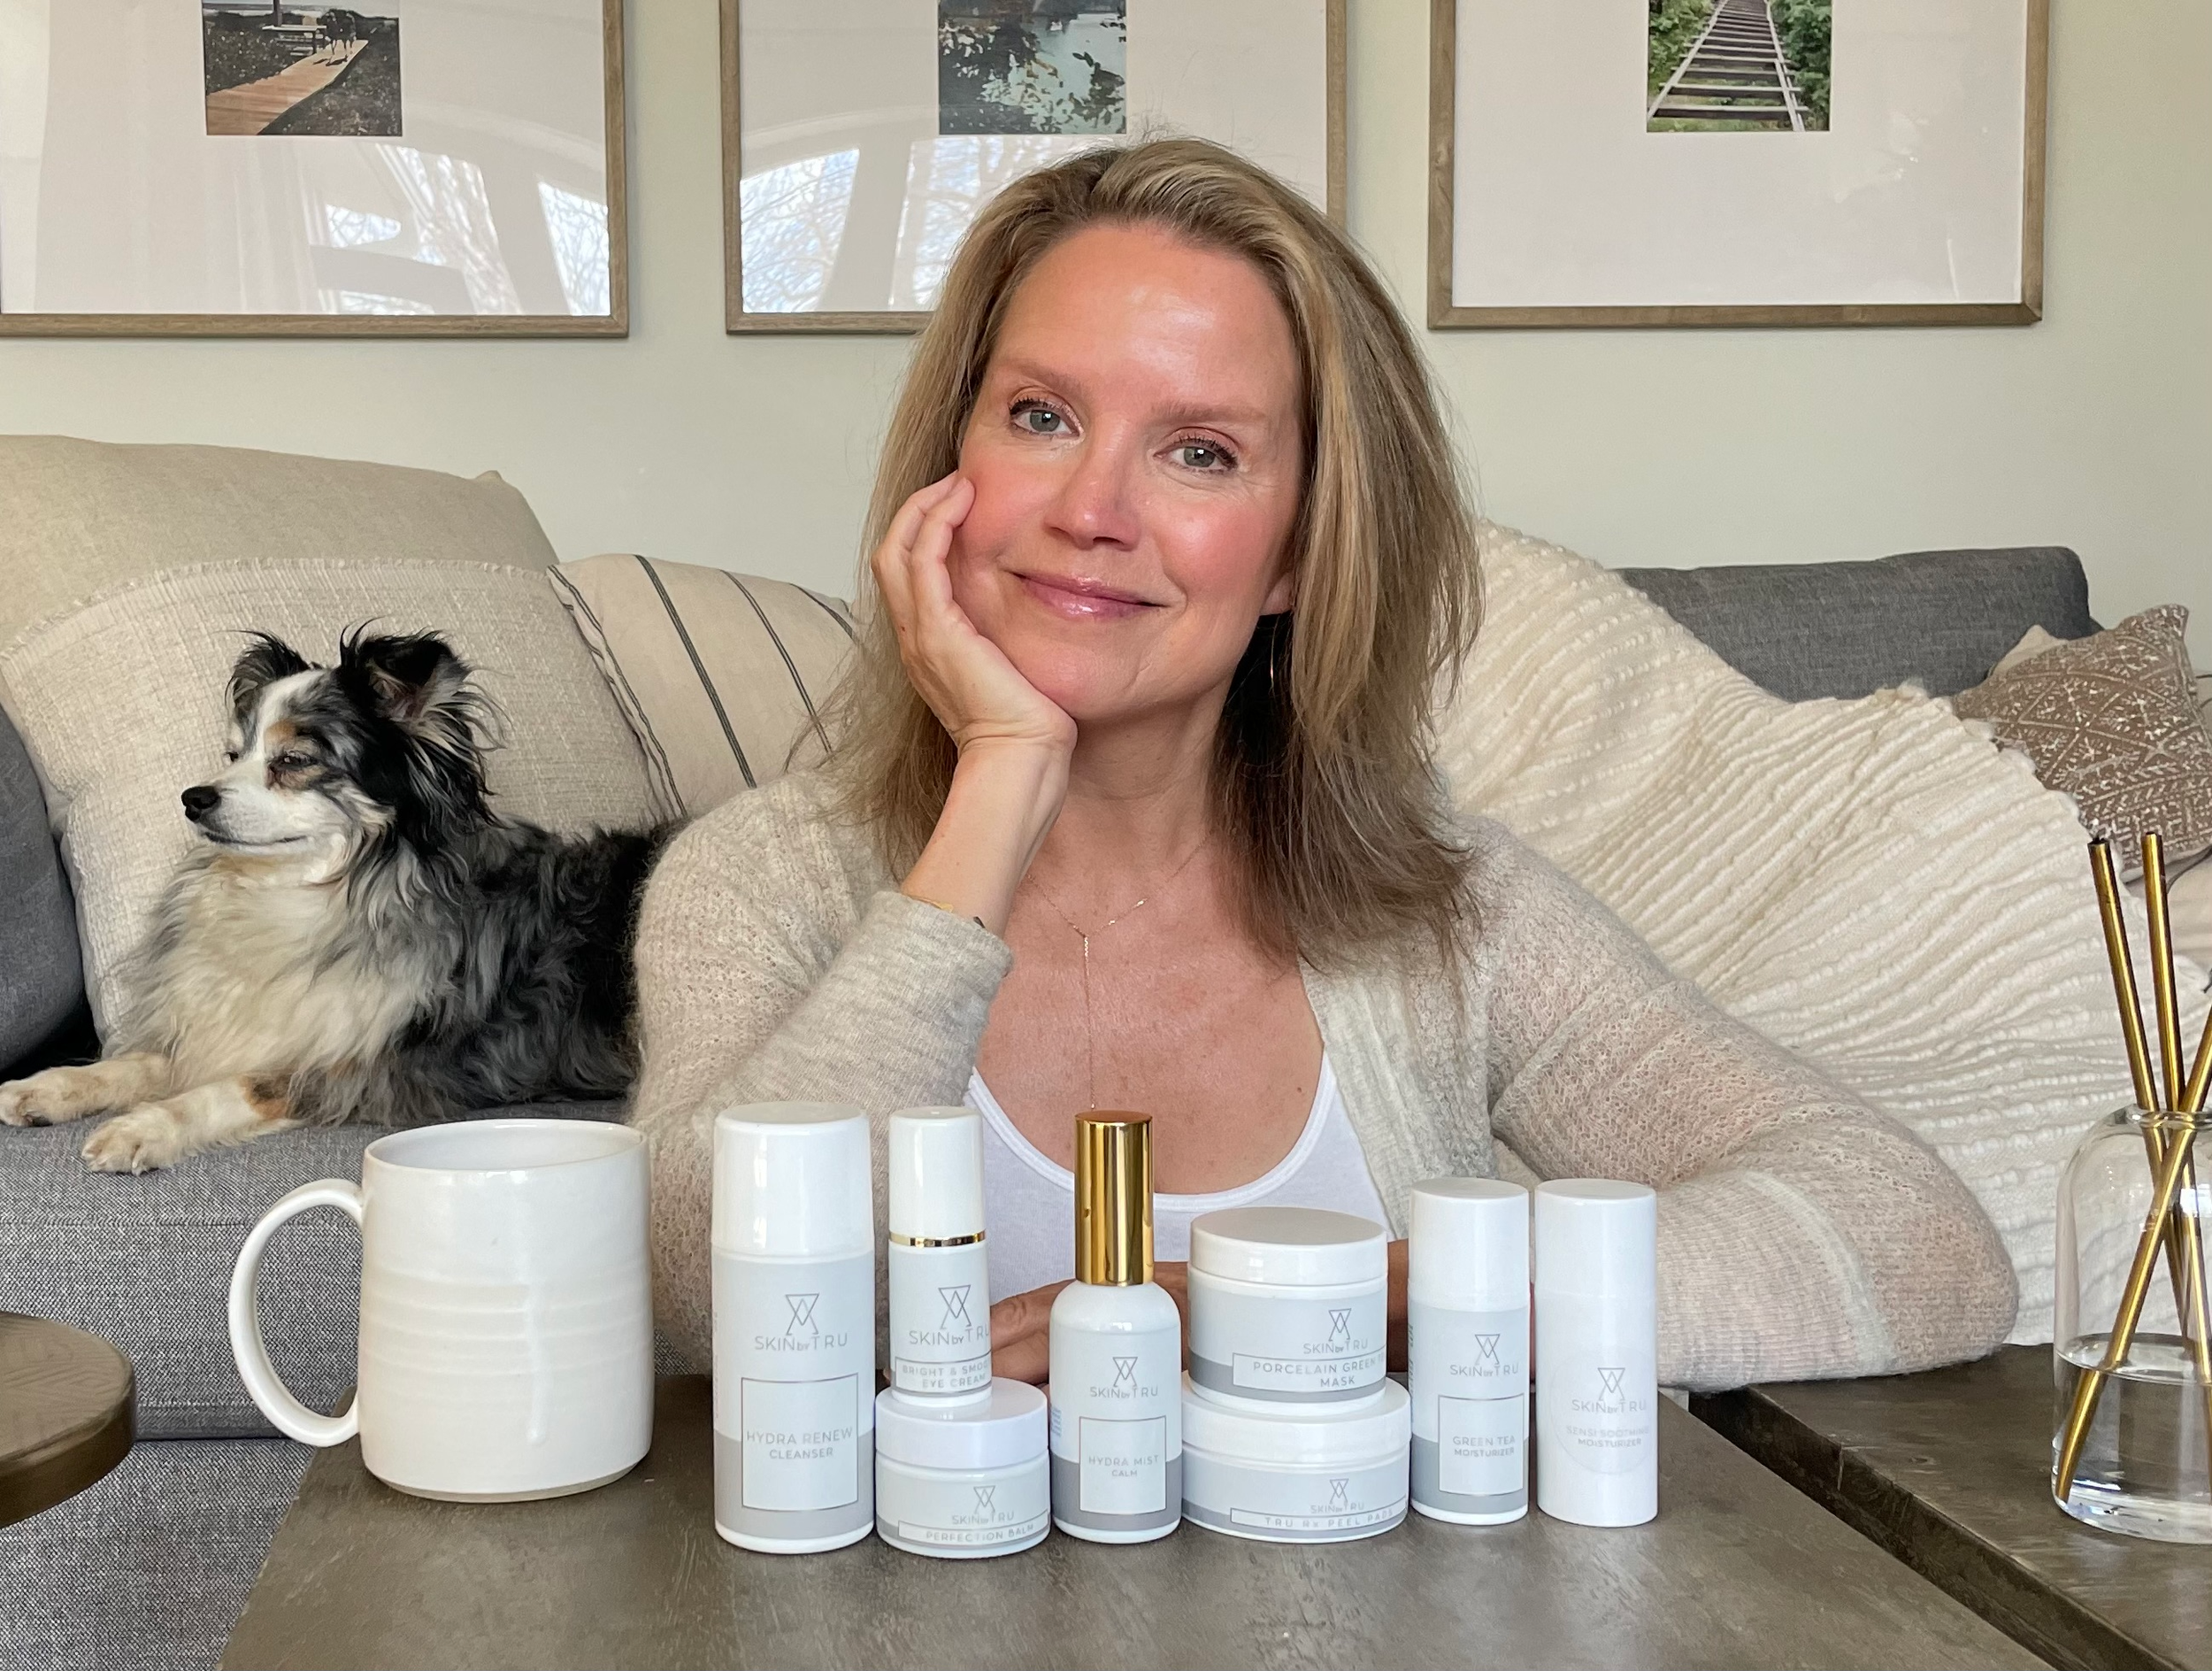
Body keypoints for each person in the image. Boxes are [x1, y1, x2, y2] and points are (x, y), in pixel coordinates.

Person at [629, 138, 2015, 1391]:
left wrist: (1304, 1300)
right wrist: (999, 778)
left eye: (1200, 451)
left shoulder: (1443, 921)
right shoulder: (757, 885)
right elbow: (702, 1303)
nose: (1091, 511)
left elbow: (1916, 1237)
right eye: (1041, 417)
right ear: (950, 467)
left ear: (1298, 550)